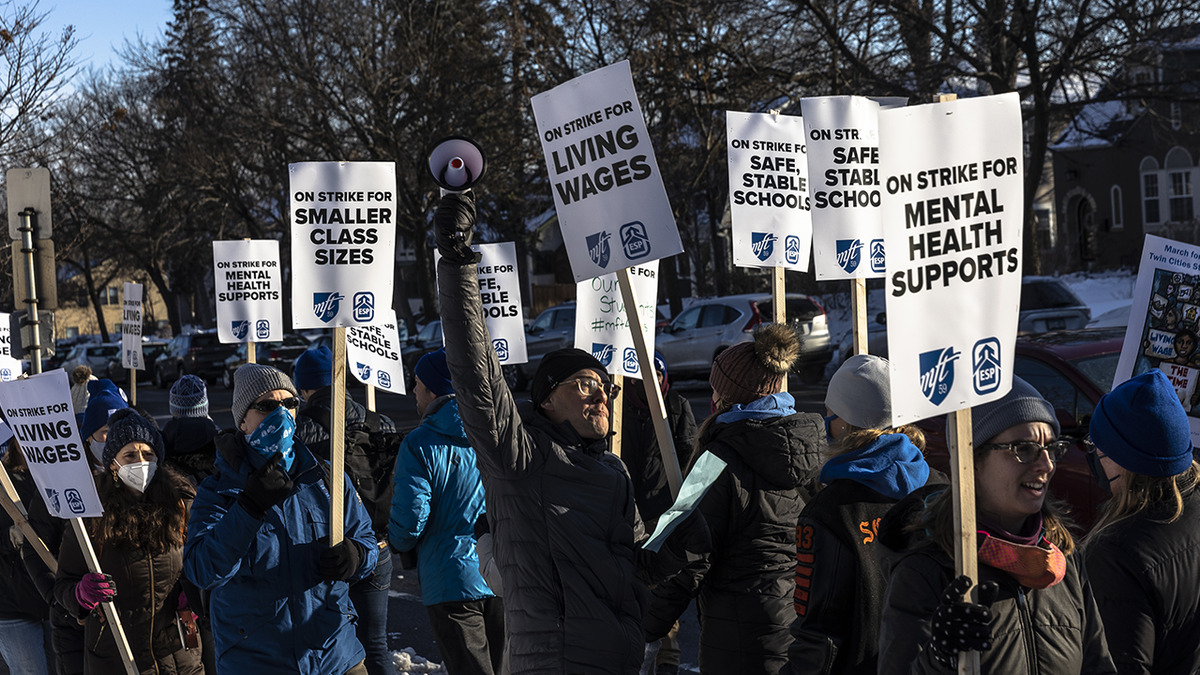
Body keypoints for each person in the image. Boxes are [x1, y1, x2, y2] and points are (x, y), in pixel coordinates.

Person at [434, 190, 709, 675]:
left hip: (618, 660)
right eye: (584, 385)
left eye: (604, 386)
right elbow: (476, 377)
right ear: (545, 399)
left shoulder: (614, 471)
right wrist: (457, 263)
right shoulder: (521, 459)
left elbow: (635, 567)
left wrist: (676, 547)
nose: (601, 395)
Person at [876, 377, 1116, 675]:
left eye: (1052, 448)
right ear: (971, 460)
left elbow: (1099, 665)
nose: (1046, 464)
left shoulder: (1062, 558)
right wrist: (939, 659)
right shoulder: (926, 572)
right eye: (1024, 448)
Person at [643, 323, 825, 675]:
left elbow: (688, 556)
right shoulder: (811, 447)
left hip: (737, 636)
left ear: (728, 395)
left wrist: (646, 626)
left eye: (715, 388)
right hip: (800, 624)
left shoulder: (716, 459)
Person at [183, 364, 378, 675]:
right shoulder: (218, 489)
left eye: (289, 404)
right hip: (257, 661)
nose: (281, 414)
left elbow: (368, 542)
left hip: (336, 657)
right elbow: (202, 570)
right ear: (243, 421)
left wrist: (356, 556)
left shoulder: (327, 476)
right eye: (266, 406)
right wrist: (247, 509)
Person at [785, 354, 941, 675]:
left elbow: (819, 629)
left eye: (830, 413)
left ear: (847, 422)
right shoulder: (942, 487)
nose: (826, 422)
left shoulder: (831, 510)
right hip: (933, 663)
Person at [53, 408, 203, 674]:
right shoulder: (92, 513)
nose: (141, 462)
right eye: (130, 455)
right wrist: (80, 594)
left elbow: (203, 563)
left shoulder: (180, 504)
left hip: (177, 656)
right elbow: (63, 584)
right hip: (116, 658)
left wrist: (192, 592)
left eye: (148, 454)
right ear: (113, 463)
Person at [389, 348, 505, 675]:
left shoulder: (420, 443)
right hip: (502, 569)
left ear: (434, 389)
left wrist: (398, 541)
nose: (413, 390)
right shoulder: (498, 434)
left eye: (417, 383)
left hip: (450, 578)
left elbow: (411, 516)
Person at [1081, 369, 1200, 675]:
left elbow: (1120, 666)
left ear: (1128, 461)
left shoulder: (1116, 553)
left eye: (1098, 449)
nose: (1095, 458)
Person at [293, 345, 399, 675]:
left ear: (305, 389)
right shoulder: (380, 421)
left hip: (325, 551)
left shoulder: (298, 431)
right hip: (376, 546)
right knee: (375, 642)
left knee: (327, 645)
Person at [620, 351, 697, 675]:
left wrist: (681, 504)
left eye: (657, 376)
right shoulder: (619, 406)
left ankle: (667, 660)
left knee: (663, 593)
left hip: (663, 515)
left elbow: (691, 456)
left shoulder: (676, 406)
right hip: (625, 513)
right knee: (627, 591)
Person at [1, 440, 54, 675]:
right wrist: (8, 538)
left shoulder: (58, 480)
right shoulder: (4, 482)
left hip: (55, 599)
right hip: (13, 604)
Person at [78, 379, 128, 473]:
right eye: (107, 431)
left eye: (122, 430)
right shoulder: (76, 475)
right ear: (88, 436)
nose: (116, 437)